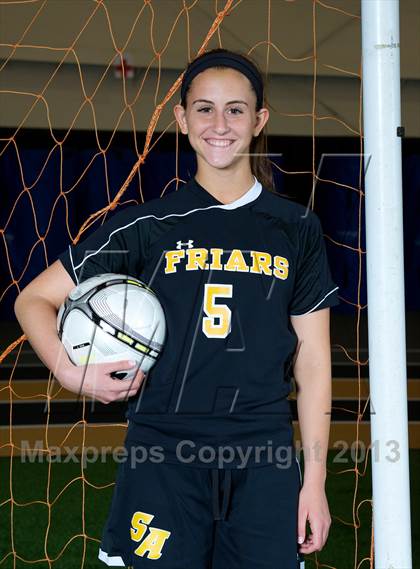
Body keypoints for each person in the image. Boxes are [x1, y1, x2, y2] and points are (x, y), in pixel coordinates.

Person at [14, 48, 339, 568]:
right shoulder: (148, 226)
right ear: (182, 119)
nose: (220, 124)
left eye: (236, 109)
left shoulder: (296, 229)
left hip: (264, 458)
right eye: (204, 108)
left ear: (259, 121)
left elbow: (314, 361)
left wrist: (315, 480)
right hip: (162, 454)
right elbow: (33, 298)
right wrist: (70, 373)